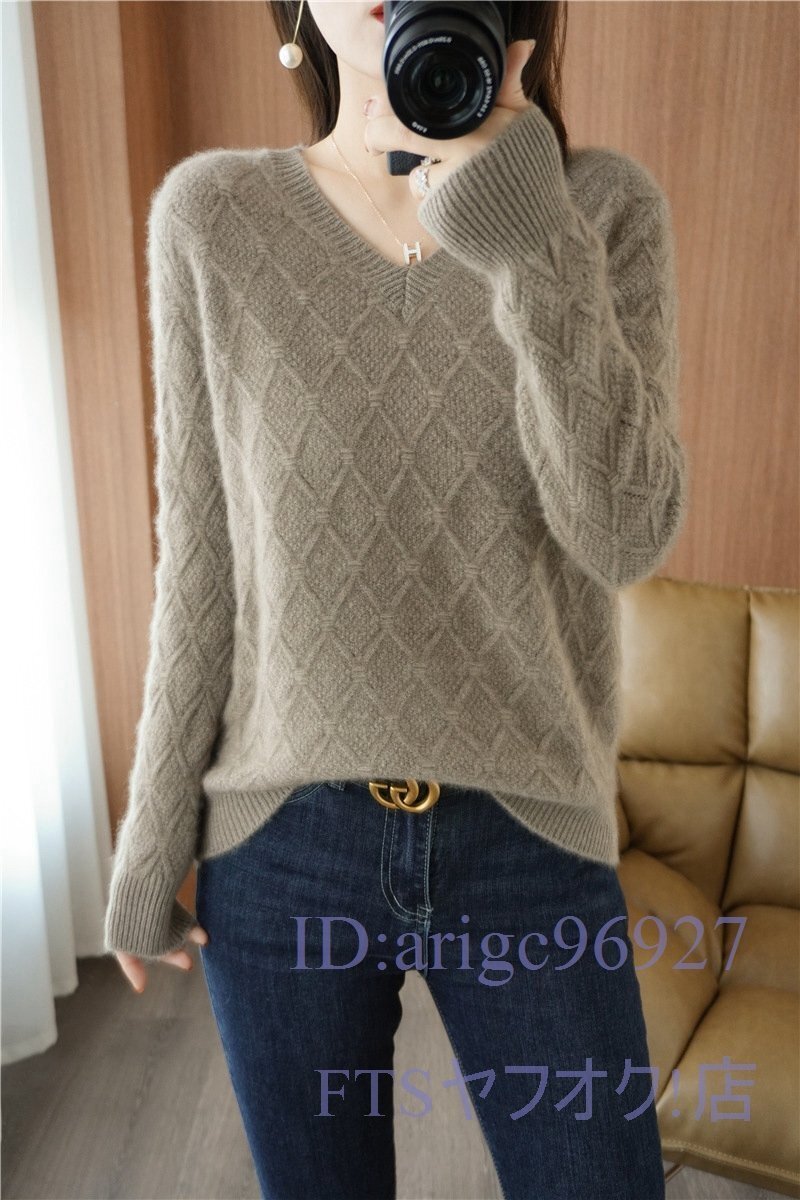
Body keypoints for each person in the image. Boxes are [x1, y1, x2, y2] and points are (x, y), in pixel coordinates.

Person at [104, 1, 688, 1196]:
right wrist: (151, 835)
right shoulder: (213, 217)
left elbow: (624, 535)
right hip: (282, 847)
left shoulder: (598, 208)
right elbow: (201, 563)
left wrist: (524, 233)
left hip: (527, 834)